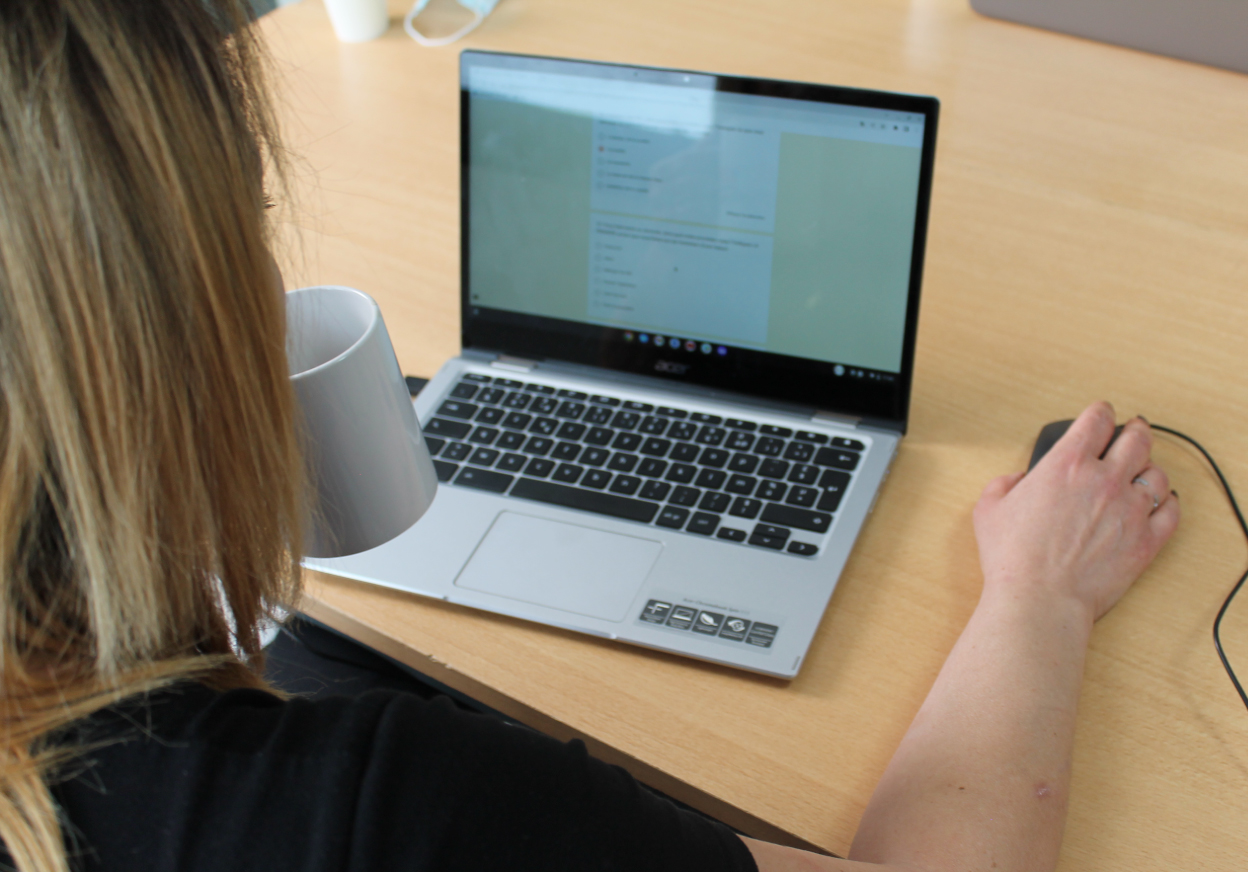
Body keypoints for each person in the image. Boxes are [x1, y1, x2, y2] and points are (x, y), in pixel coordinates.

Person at [0, 1, 1179, 870]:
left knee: (325, 640)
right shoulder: (387, 808)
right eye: (250, 218)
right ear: (170, 341)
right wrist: (1040, 592)